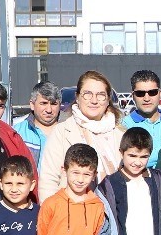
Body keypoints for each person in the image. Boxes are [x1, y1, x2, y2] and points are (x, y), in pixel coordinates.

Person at [39, 70, 123, 200]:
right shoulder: (62, 132)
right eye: (87, 94)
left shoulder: (121, 135)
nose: (94, 100)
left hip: (114, 212)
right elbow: (48, 181)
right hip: (72, 210)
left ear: (107, 100)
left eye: (100, 95)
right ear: (77, 97)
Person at [122, 69, 161, 167]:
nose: (147, 98)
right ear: (133, 96)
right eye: (140, 93)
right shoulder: (123, 126)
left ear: (160, 93)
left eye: (152, 92)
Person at [13, 82, 62, 169]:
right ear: (32, 105)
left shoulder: (68, 131)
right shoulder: (17, 132)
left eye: (54, 104)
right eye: (43, 103)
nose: (49, 110)